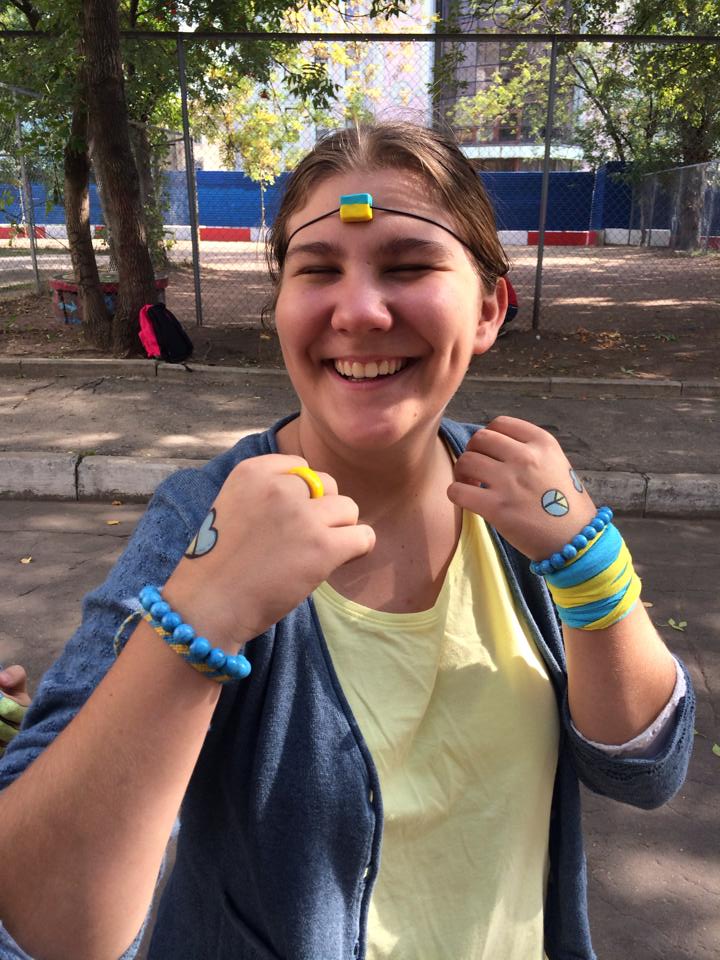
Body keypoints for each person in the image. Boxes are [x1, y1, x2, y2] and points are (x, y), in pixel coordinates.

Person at [0, 123, 694, 960]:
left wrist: (589, 564)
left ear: (488, 309)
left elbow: (643, 772)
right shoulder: (202, 520)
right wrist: (201, 616)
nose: (359, 310)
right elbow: (42, 928)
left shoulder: (527, 506)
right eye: (318, 269)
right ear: (281, 306)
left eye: (408, 266)